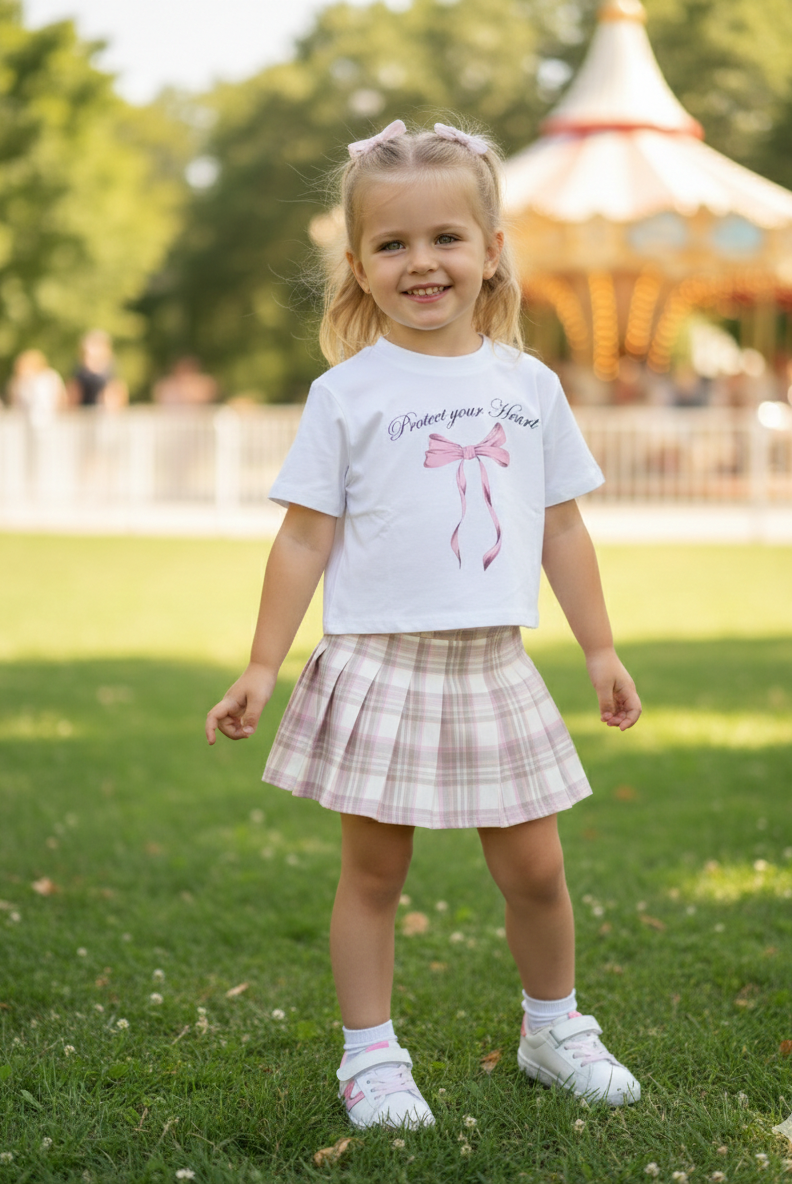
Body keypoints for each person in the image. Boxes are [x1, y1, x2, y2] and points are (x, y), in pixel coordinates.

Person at [205, 119, 642, 1130]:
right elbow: (305, 539)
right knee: (374, 871)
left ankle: (554, 1025)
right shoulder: (346, 393)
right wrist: (263, 664)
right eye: (393, 245)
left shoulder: (529, 389)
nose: (422, 262)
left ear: (492, 251)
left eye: (446, 237)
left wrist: (602, 645)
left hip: (493, 664)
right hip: (378, 664)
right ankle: (370, 1055)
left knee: (536, 867)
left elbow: (562, 526)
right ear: (356, 266)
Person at [67, 330, 128, 410]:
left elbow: (116, 391)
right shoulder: (79, 368)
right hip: (83, 412)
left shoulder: (110, 368)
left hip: (103, 411)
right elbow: (74, 392)